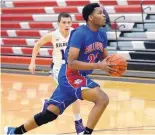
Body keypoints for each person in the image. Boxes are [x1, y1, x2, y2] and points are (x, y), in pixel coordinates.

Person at [4, 3, 115, 135]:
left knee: (50, 113)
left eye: (103, 13)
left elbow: (104, 58)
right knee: (102, 99)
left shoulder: (102, 34)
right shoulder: (79, 33)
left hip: (77, 77)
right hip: (70, 75)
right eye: (100, 13)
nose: (104, 15)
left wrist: (112, 66)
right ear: (90, 17)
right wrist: (98, 65)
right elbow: (71, 63)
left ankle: (15, 131)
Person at [4, 12, 84, 135]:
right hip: (58, 69)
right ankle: (78, 123)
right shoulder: (53, 35)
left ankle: (49, 103)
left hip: (71, 69)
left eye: (69, 22)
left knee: (73, 94)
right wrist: (32, 61)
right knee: (73, 93)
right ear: (58, 24)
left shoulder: (75, 34)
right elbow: (38, 44)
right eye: (64, 22)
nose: (66, 25)